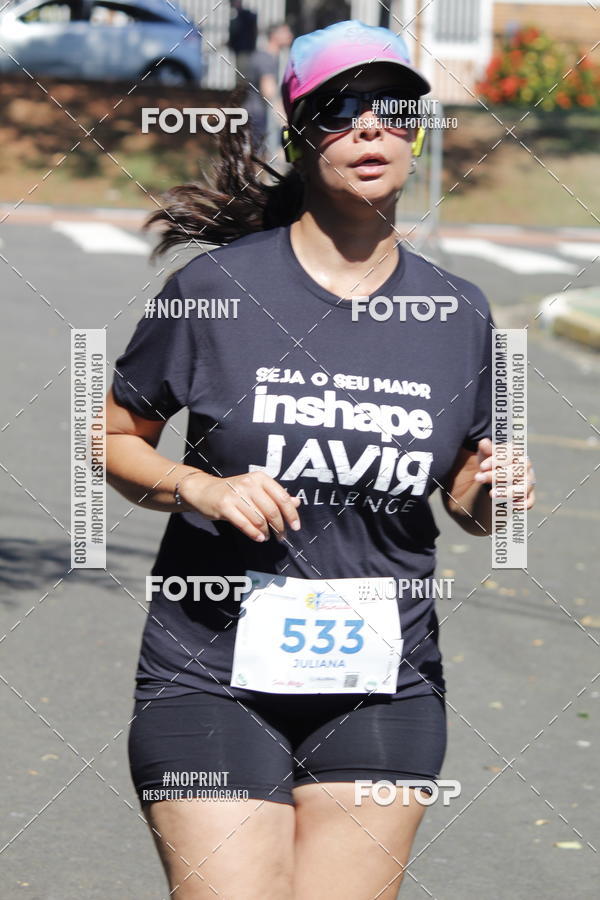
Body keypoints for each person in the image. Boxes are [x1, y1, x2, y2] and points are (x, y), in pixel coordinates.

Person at [106, 19, 536, 899]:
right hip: (210, 672)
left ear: (417, 129)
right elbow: (113, 436)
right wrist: (198, 484)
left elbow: (464, 488)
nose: (371, 127)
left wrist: (494, 491)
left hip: (385, 685)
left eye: (394, 106)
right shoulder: (218, 290)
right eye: (342, 107)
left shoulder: (459, 313)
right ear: (302, 129)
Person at [244, 21, 293, 153]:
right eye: (286, 32)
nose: (290, 35)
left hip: (261, 117)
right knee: (258, 159)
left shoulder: (272, 58)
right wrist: (283, 118)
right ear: (274, 36)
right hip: (258, 117)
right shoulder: (265, 59)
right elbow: (269, 92)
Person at [227, 0, 258, 84]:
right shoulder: (239, 16)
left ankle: (243, 94)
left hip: (244, 50)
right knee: (242, 73)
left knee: (243, 75)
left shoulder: (244, 16)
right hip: (242, 50)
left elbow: (240, 32)